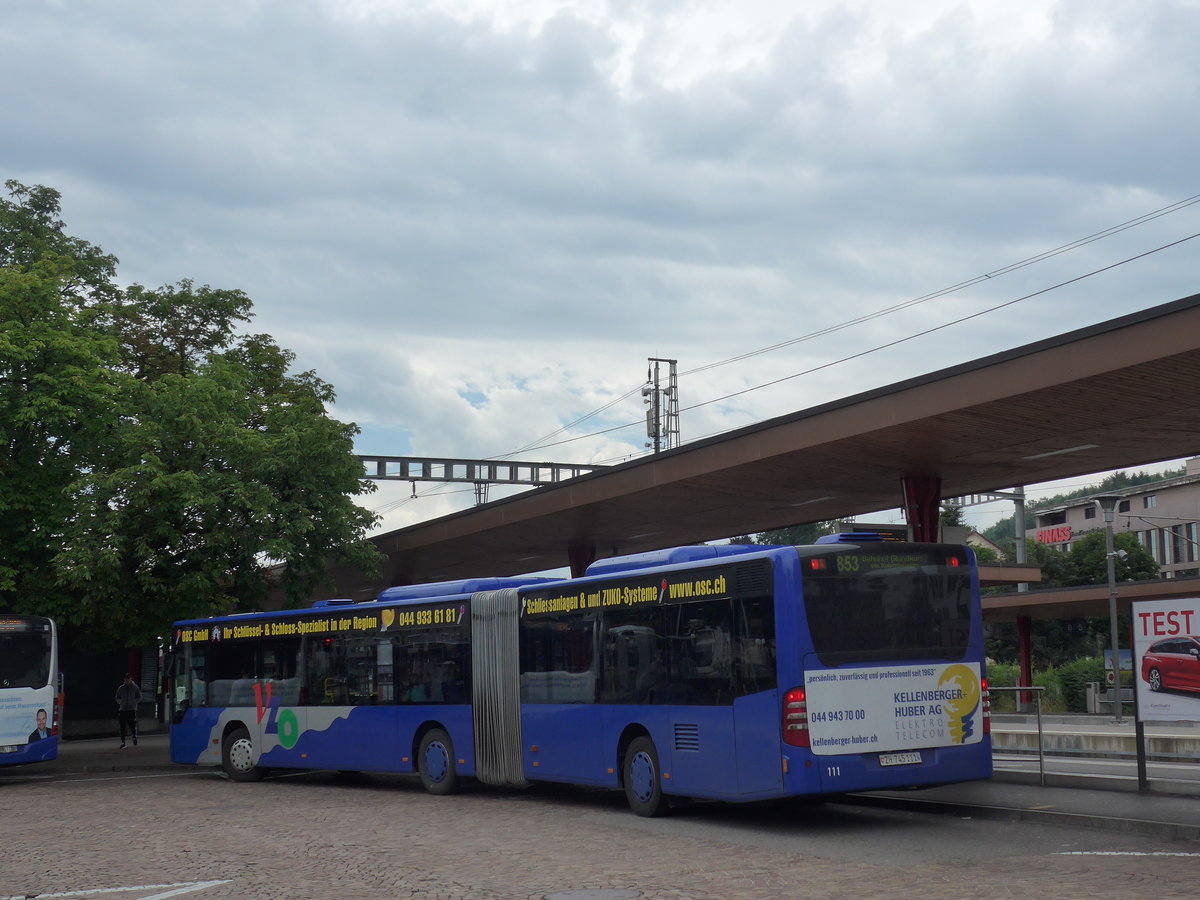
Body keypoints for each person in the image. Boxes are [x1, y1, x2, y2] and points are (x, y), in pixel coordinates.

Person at [115, 673, 143, 748]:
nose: (127, 681)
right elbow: (117, 697)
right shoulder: (121, 688)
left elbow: (139, 697)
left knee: (132, 725)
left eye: (129, 679)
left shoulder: (135, 687)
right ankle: (123, 742)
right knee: (122, 726)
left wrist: (134, 702)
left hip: (131, 709)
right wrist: (121, 702)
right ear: (124, 680)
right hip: (122, 709)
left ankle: (134, 736)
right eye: (126, 679)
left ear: (131, 679)